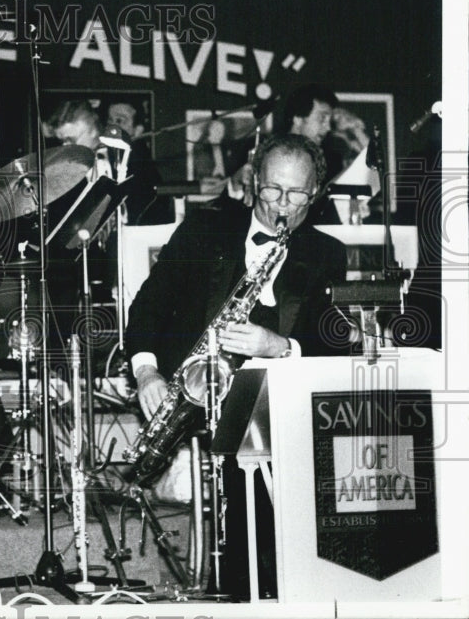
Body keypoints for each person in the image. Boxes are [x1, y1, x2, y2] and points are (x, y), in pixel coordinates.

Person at [125, 133, 348, 598]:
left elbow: (335, 345)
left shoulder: (328, 254)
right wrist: (147, 371)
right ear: (252, 182)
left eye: (296, 194)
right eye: (271, 189)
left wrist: (282, 346)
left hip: (282, 411)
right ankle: (236, 588)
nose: (281, 205)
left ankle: (272, 590)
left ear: (316, 194)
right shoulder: (202, 230)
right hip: (200, 398)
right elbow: (148, 307)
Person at [226, 84, 341, 223]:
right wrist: (236, 183)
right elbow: (226, 214)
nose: (328, 127)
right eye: (322, 118)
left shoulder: (332, 160)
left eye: (330, 121)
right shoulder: (260, 149)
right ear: (298, 118)